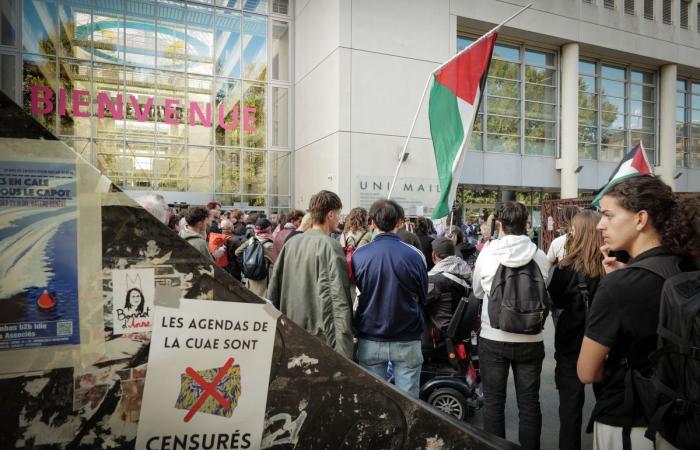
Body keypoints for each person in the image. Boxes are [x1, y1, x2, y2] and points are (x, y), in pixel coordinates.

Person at [577, 175, 700, 450]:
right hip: (683, 419)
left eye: (608, 215)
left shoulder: (618, 287)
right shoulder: (689, 266)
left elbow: (586, 372)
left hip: (628, 422)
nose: (600, 225)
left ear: (640, 219)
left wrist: (616, 285)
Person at [472, 201, 549, 450]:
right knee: (529, 403)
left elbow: (476, 291)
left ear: (499, 225)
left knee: (494, 403)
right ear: (526, 224)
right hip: (531, 338)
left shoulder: (487, 252)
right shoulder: (539, 254)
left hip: (493, 336)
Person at [352, 199, 428, 398]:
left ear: (373, 223)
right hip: (407, 336)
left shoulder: (360, 255)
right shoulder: (415, 255)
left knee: (373, 402)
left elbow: (356, 292)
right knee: (409, 404)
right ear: (400, 223)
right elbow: (423, 295)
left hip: (370, 334)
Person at [268, 191, 353, 358]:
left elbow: (273, 289)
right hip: (321, 337)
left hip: (291, 331)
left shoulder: (291, 243)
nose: (339, 219)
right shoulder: (330, 246)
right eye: (338, 214)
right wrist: (344, 348)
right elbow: (339, 299)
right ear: (330, 214)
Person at [547, 210, 605, 450]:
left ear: (577, 232)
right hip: (605, 344)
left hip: (571, 343)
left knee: (570, 410)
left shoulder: (565, 268)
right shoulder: (610, 265)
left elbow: (555, 301)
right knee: (608, 403)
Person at [422, 237, 471, 351]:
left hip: (438, 333)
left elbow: (416, 301)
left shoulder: (435, 280)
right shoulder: (463, 271)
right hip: (456, 330)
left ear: (434, 255)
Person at [235, 218, 274, 298]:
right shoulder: (270, 245)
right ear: (269, 229)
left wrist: (248, 258)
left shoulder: (251, 240)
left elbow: (237, 252)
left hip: (251, 276)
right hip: (264, 279)